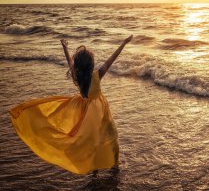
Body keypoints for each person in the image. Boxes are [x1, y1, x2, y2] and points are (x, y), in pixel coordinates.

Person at [9, 35, 133, 175]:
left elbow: (69, 62)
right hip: (99, 110)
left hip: (85, 111)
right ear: (91, 64)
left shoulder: (77, 76)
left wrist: (65, 47)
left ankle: (94, 168)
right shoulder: (97, 75)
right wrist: (124, 42)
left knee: (91, 139)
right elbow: (112, 59)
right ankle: (114, 166)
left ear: (79, 66)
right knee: (111, 136)